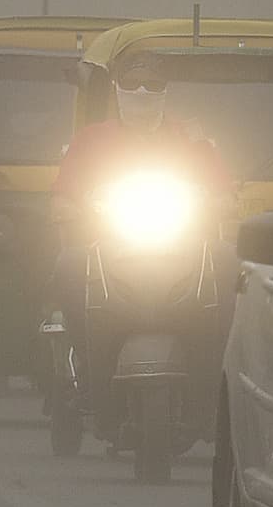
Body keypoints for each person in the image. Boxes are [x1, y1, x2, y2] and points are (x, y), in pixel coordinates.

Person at [49, 57, 234, 414]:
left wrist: (217, 204)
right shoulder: (92, 139)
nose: (142, 91)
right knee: (68, 264)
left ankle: (217, 374)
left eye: (152, 84)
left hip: (186, 248)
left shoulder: (191, 138)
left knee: (228, 259)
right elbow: (60, 200)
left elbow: (225, 195)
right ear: (118, 90)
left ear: (166, 91)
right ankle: (87, 363)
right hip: (105, 249)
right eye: (133, 83)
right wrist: (79, 208)